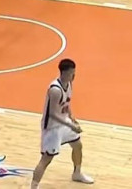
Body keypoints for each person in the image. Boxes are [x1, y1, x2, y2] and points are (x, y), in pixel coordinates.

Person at [31, 59, 93, 188]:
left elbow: (67, 103)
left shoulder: (69, 84)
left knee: (77, 145)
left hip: (64, 122)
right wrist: (71, 125)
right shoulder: (55, 90)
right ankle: (34, 186)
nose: (74, 76)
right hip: (52, 127)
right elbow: (53, 114)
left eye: (74, 73)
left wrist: (72, 118)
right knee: (46, 159)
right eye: (71, 73)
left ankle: (77, 173)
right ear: (64, 72)